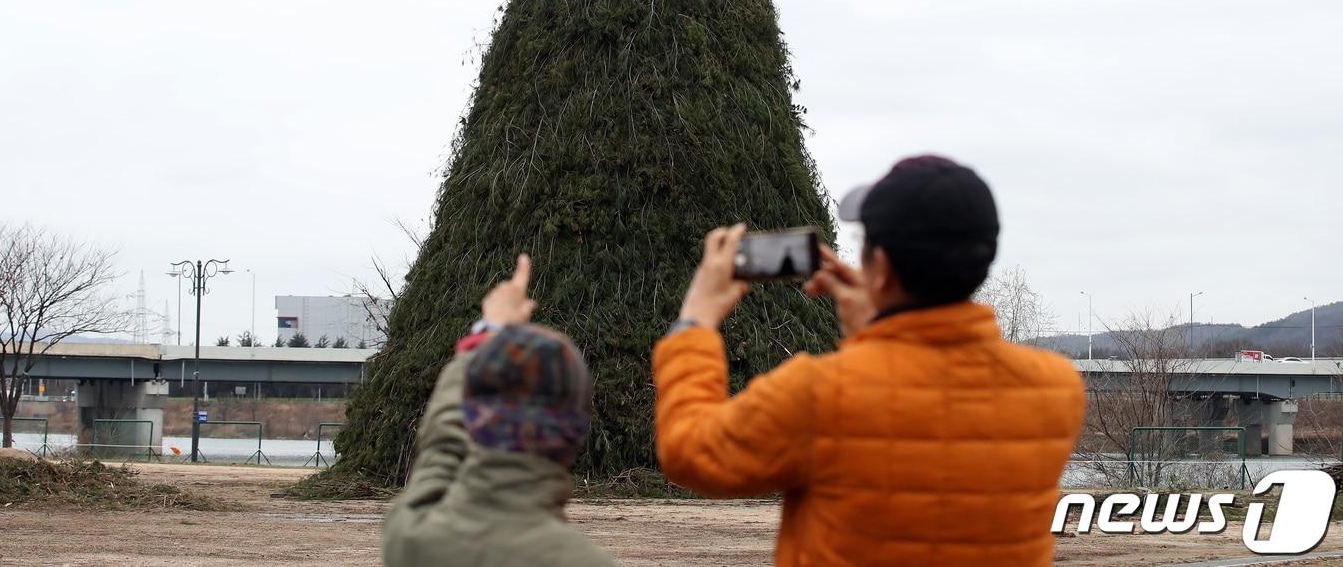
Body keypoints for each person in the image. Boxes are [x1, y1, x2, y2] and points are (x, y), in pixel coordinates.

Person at [653, 155, 1086, 566]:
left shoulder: (819, 394)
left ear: (880, 267)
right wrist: (875, 332)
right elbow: (930, 420)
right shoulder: (1055, 388)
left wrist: (696, 322)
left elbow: (690, 451)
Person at [382, 254, 617, 567]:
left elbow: (444, 444)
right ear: (576, 431)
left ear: (475, 418)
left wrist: (489, 337)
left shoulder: (412, 537)